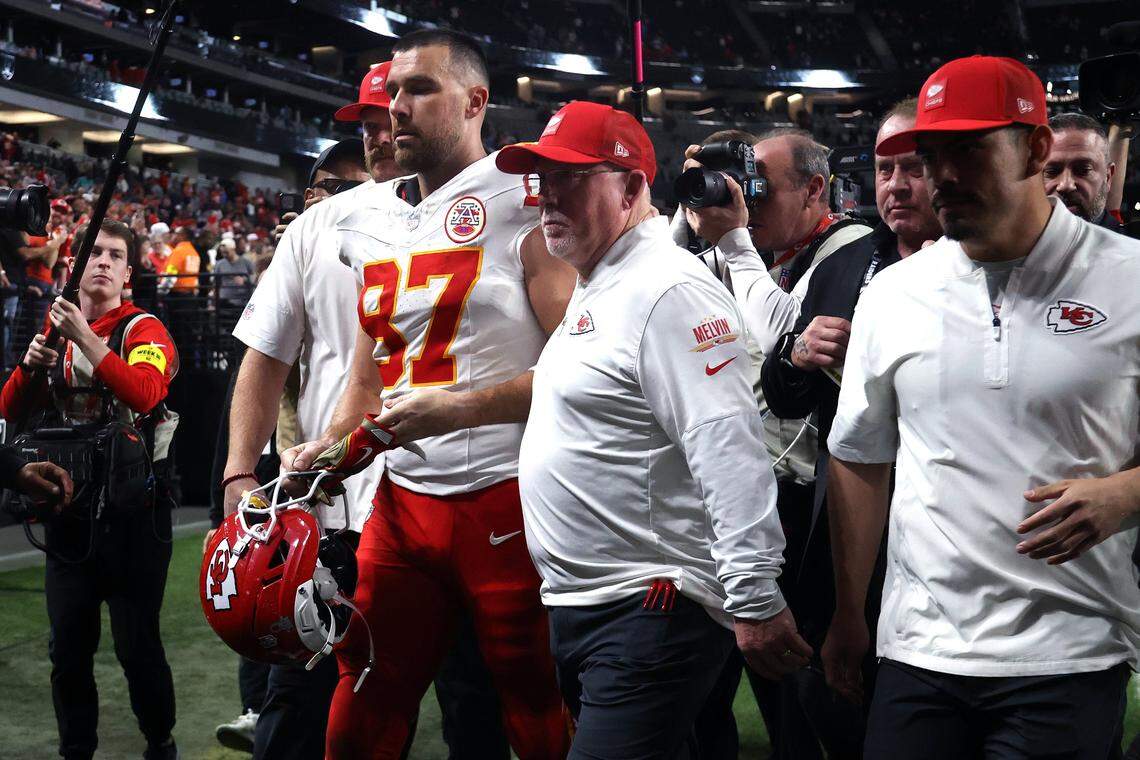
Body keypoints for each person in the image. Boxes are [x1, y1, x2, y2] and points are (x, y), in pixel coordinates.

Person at [823, 55, 1140, 759]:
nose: (942, 176)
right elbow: (861, 456)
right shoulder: (895, 293)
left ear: (1035, 148)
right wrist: (850, 613)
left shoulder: (1129, 280)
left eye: (967, 150)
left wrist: (1127, 490)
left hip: (1070, 650)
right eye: (931, 155)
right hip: (920, 651)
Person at [282, 29, 575, 759]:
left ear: (476, 102)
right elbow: (370, 374)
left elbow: (582, 370)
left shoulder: (527, 198)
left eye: (419, 90)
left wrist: (462, 409)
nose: (396, 107)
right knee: (367, 682)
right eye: (392, 92)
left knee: (534, 697)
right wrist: (328, 451)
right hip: (404, 502)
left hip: (508, 495)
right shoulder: (363, 218)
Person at [494, 99, 810, 758]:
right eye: (543, 179)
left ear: (633, 186)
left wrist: (752, 593)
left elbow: (727, 442)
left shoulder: (666, 290)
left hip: (648, 608)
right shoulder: (606, 277)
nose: (548, 196)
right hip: (598, 607)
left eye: (571, 178)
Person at [758, 97, 942, 760]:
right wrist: (795, 353)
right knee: (836, 709)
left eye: (914, 168)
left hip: (950, 540)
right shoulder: (847, 260)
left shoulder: (989, 269)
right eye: (885, 169)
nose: (897, 184)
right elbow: (780, 395)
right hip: (842, 532)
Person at [0, 218, 182, 760]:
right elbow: (9, 413)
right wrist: (29, 369)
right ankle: (75, 749)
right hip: (68, 512)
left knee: (137, 646)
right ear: (74, 266)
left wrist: (82, 335)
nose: (102, 261)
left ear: (129, 273)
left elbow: (147, 393)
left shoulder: (144, 330)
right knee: (68, 651)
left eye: (115, 255)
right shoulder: (53, 331)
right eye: (94, 253)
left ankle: (159, 741)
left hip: (134, 517)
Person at [1043, 112, 1121, 230]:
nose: (1066, 185)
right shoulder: (1012, 246)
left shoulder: (1133, 246)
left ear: (1108, 177)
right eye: (1052, 171)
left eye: (1083, 170)